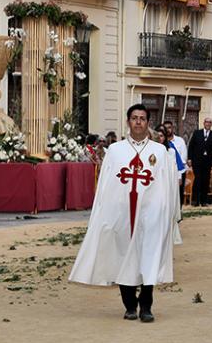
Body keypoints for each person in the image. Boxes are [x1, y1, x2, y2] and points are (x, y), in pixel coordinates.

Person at [68, 104, 181, 323]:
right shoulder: (116, 151)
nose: (138, 122)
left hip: (151, 214)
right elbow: (105, 184)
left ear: (148, 123)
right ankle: (130, 304)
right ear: (128, 122)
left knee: (149, 256)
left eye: (142, 118)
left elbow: (167, 186)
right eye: (134, 118)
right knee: (123, 256)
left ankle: (146, 305)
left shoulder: (159, 152)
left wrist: (169, 214)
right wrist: (103, 211)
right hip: (121, 213)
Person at [187, 117, 212, 206]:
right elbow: (191, 146)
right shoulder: (197, 133)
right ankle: (195, 200)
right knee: (198, 179)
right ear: (204, 123)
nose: (208, 124)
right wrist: (189, 158)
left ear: (211, 124)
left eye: (209, 122)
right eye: (206, 122)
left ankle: (204, 201)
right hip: (197, 160)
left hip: (207, 161)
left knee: (205, 180)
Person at [161, 122, 187, 207]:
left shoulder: (180, 140)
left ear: (173, 128)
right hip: (167, 171)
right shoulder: (161, 143)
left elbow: (183, 157)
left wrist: (178, 169)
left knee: (179, 192)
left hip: (179, 170)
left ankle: (179, 210)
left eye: (169, 127)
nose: (168, 130)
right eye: (166, 128)